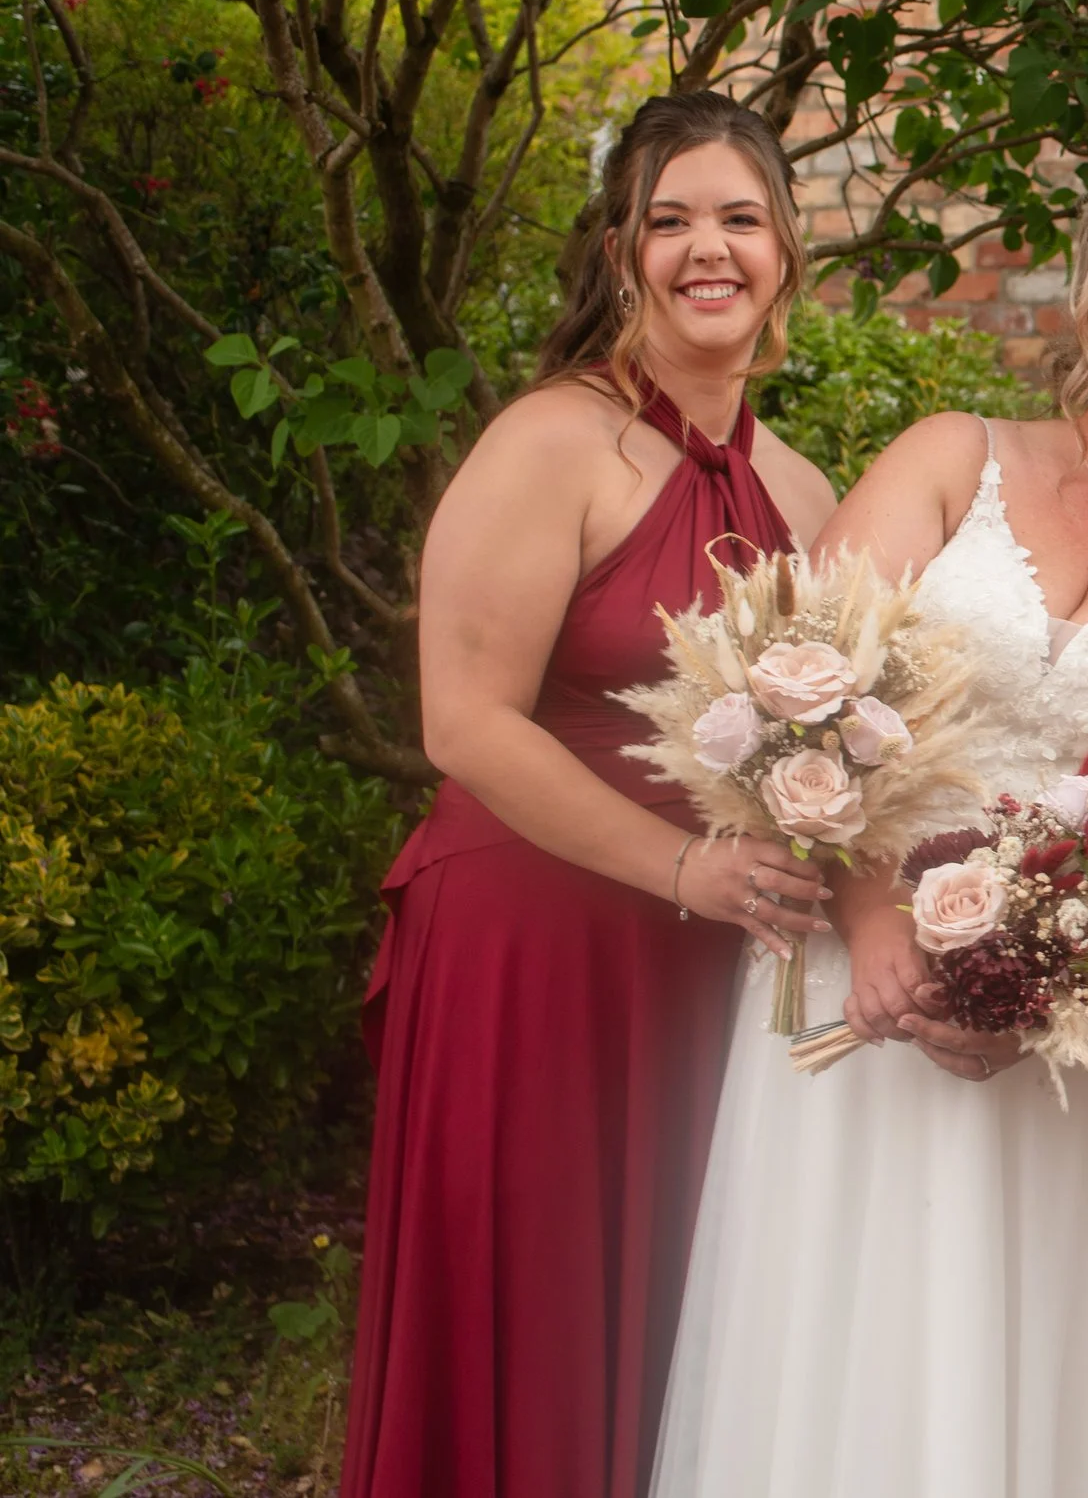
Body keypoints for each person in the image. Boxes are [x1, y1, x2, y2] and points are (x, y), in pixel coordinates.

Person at [651, 145, 1088, 1498]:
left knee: (1068, 1398)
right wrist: (869, 914)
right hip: (866, 992)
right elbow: (811, 689)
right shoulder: (954, 459)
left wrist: (1060, 979)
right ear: (1085, 303)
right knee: (848, 1372)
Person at [343, 93, 839, 1498]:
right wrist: (682, 872)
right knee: (535, 1318)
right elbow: (466, 722)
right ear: (620, 251)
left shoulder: (802, 489)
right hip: (531, 943)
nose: (708, 249)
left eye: (740, 217)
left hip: (699, 967)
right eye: (670, 219)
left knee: (682, 1325)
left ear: (788, 251)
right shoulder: (550, 444)